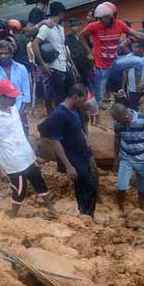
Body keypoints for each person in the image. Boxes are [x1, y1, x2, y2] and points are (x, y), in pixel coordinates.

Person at [0, 79, 53, 216]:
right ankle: (13, 215)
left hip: (27, 156)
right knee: (20, 190)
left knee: (40, 183)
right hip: (13, 161)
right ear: (1, 96)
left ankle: (51, 208)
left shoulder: (13, 108)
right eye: (11, 97)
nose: (15, 99)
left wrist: (31, 148)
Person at [80, 3, 144, 110]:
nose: (103, 21)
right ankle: (96, 119)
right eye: (101, 18)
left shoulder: (120, 25)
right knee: (99, 97)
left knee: (140, 61)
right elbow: (81, 35)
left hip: (116, 61)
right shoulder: (94, 26)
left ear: (113, 16)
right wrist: (89, 52)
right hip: (102, 66)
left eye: (105, 18)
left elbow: (137, 34)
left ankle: (137, 85)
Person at [42, 84, 98, 218]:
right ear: (75, 97)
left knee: (82, 187)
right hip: (74, 159)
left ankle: (84, 215)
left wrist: (87, 145)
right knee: (90, 188)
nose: (84, 103)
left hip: (82, 156)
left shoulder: (74, 110)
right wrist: (68, 166)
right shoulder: (59, 114)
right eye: (83, 100)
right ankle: (87, 216)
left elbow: (79, 130)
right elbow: (56, 141)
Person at [110, 102, 144, 216]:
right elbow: (117, 139)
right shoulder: (118, 122)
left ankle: (142, 211)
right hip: (126, 158)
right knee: (121, 186)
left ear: (125, 116)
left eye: (118, 119)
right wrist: (116, 158)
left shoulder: (143, 120)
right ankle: (121, 210)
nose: (116, 122)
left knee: (143, 189)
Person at [32, 2, 78, 114]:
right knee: (59, 96)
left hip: (64, 65)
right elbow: (35, 44)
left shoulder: (61, 28)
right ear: (61, 14)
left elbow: (63, 47)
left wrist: (72, 64)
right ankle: (59, 118)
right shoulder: (46, 27)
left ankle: (66, 116)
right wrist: (43, 64)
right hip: (55, 67)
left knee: (70, 93)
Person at [0, 41, 31, 135]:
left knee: (23, 136)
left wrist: (19, 113)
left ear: (11, 53)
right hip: (0, 111)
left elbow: (26, 95)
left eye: (5, 53)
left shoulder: (21, 68)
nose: (2, 56)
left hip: (20, 108)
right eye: (0, 53)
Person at [118, 39, 144, 111]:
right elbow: (125, 73)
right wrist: (122, 88)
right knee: (133, 108)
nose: (134, 49)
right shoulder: (128, 57)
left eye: (136, 47)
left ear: (142, 49)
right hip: (131, 89)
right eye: (133, 47)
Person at [65, 18, 91, 86]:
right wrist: (72, 65)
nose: (75, 27)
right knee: (79, 82)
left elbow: (89, 47)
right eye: (73, 26)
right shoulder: (67, 38)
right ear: (70, 27)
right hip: (76, 63)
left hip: (86, 62)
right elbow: (67, 52)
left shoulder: (84, 36)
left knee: (89, 80)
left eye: (76, 25)